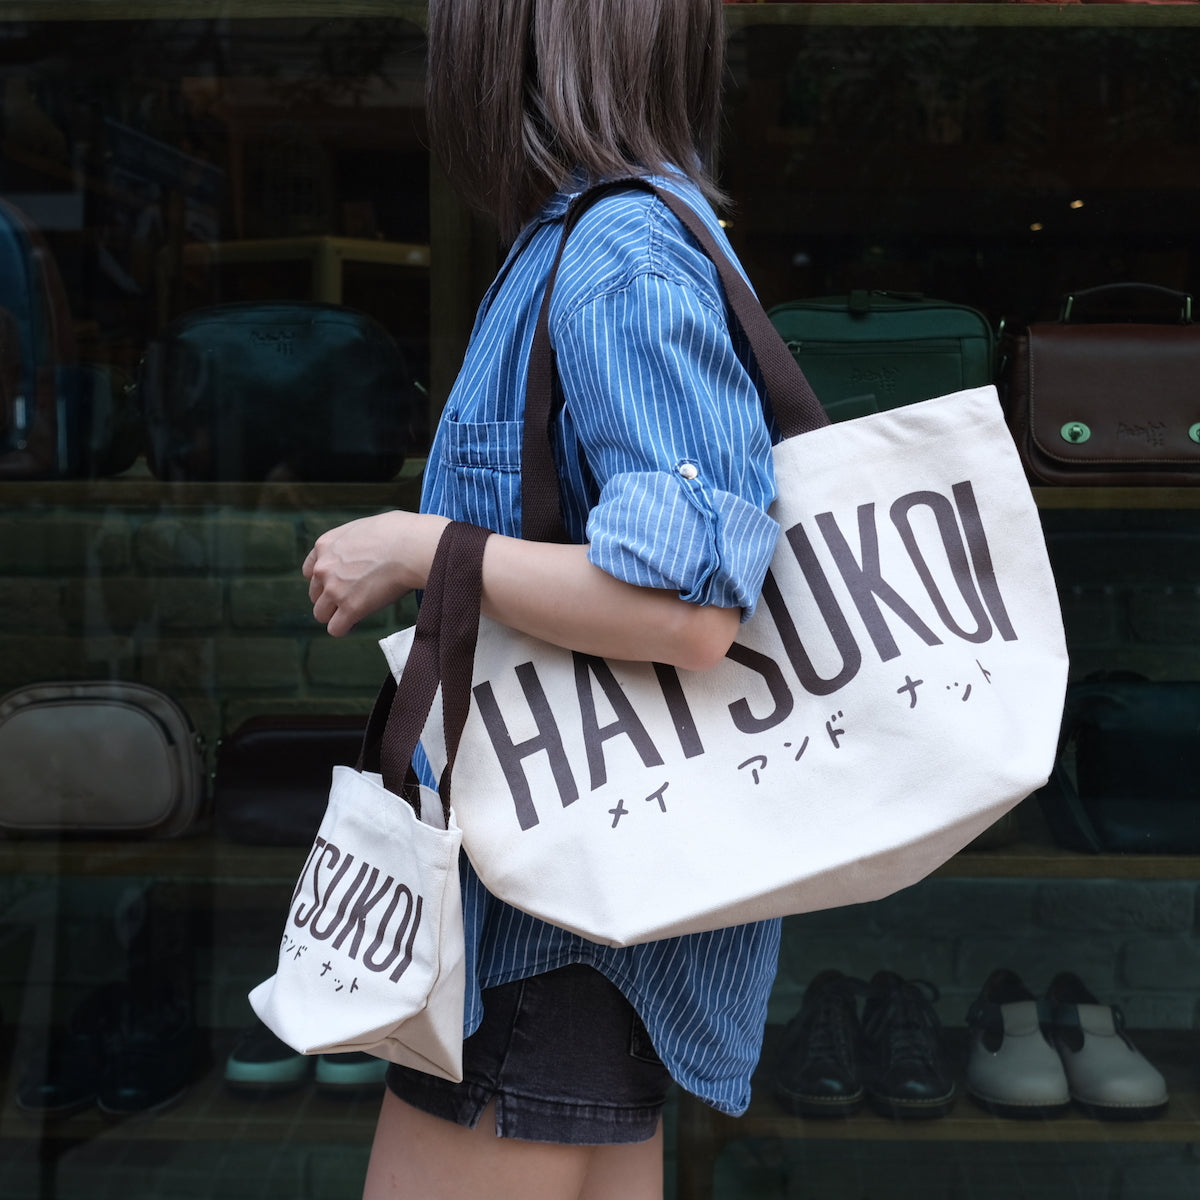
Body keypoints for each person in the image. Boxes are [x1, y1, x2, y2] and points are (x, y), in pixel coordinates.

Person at [303, 2, 782, 1196]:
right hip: (576, 914)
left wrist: (417, 546)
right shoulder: (599, 239)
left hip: (545, 930)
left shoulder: (618, 254)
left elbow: (686, 610)